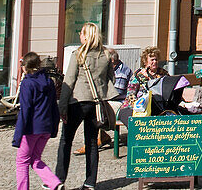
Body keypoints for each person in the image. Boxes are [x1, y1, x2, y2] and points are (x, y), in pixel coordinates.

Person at [56, 23, 114, 190]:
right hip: (97, 104)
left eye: (82, 33)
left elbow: (69, 81)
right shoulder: (105, 55)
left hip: (78, 102)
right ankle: (90, 182)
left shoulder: (78, 54)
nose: (80, 35)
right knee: (92, 143)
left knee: (66, 140)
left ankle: (59, 179)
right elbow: (111, 79)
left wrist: (62, 107)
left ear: (87, 36)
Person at [12, 52, 63, 190]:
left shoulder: (27, 84)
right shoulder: (48, 81)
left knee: (22, 161)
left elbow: (25, 111)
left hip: (31, 129)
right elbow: (54, 106)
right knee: (35, 159)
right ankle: (54, 183)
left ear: (24, 67)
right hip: (46, 127)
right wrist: (53, 128)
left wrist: (18, 136)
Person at [80, 48, 132, 154]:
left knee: (95, 109)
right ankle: (100, 136)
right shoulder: (112, 69)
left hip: (121, 103)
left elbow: (116, 93)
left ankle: (90, 143)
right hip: (110, 100)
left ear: (111, 61)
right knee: (90, 106)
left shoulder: (122, 71)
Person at [117, 45, 170, 124]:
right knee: (136, 122)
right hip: (135, 107)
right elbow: (131, 95)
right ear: (145, 61)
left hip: (157, 106)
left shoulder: (163, 74)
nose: (155, 62)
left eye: (156, 59)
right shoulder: (138, 75)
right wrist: (140, 106)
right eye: (152, 60)